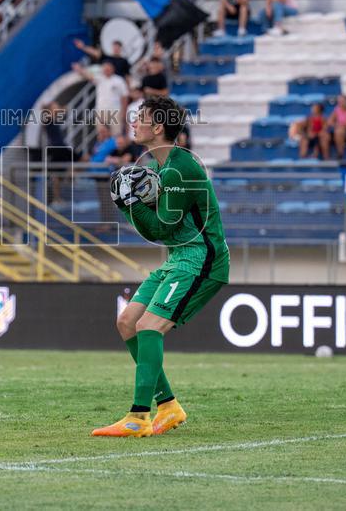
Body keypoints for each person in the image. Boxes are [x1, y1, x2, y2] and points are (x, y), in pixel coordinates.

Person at [94, 95, 230, 438]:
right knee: (128, 322)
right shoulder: (158, 168)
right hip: (179, 259)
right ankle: (168, 406)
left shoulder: (179, 167)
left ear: (158, 127)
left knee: (150, 326)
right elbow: (157, 229)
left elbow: (160, 228)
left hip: (202, 258)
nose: (133, 122)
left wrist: (127, 205)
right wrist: (131, 203)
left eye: (140, 117)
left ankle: (138, 417)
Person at [72, 60, 128, 138]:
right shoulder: (100, 78)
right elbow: (88, 76)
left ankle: (115, 149)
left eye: (108, 68)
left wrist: (124, 112)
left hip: (115, 111)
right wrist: (79, 69)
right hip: (100, 111)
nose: (107, 70)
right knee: (101, 134)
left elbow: (124, 97)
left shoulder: (119, 80)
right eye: (105, 69)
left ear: (113, 69)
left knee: (116, 134)